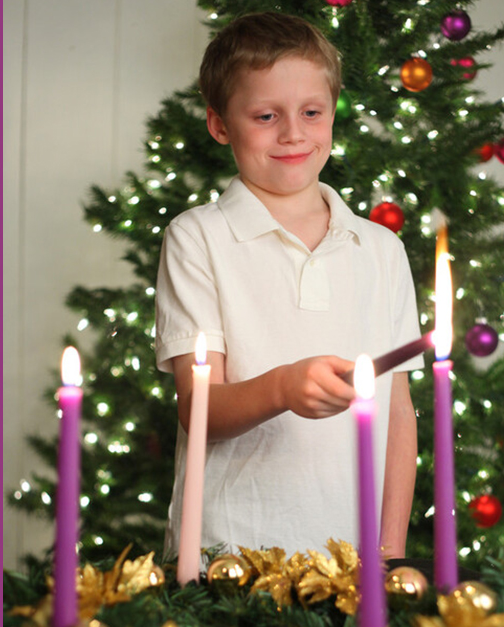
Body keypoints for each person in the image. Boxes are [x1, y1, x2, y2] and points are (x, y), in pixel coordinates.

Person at [154, 11, 423, 562]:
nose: (293, 133)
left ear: (332, 114)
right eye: (266, 115)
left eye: (311, 112)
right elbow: (198, 409)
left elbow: (398, 413)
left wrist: (390, 551)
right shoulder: (197, 238)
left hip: (353, 558)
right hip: (228, 555)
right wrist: (282, 388)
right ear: (220, 125)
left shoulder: (381, 250)